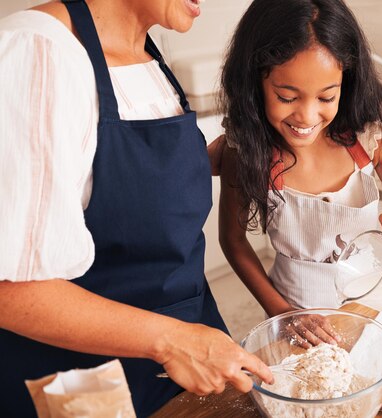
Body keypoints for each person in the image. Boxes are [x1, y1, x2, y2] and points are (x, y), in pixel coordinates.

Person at [0, 1, 272, 416]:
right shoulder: (37, 50)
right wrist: (170, 341)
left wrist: (214, 158)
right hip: (88, 386)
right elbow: (9, 289)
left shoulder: (146, 53)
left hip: (188, 357)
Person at [217, 0, 382, 332]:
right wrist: (285, 313)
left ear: (346, 82)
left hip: (371, 307)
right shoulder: (247, 149)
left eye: (326, 98)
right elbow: (233, 242)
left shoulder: (371, 137)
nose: (307, 117)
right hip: (292, 313)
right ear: (256, 84)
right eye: (286, 96)